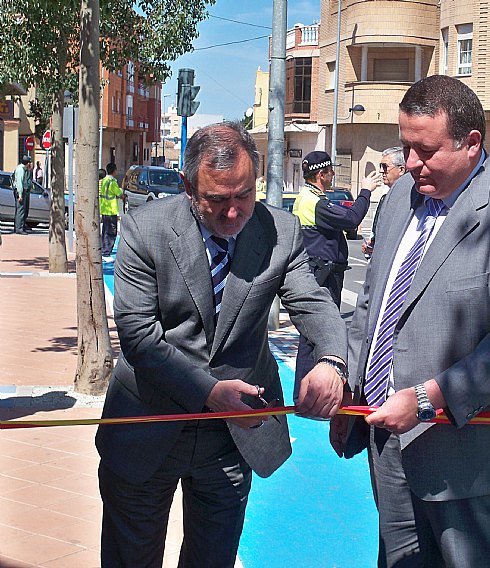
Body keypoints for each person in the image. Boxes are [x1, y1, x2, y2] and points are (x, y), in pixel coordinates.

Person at [330, 75, 490, 567]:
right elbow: (372, 303)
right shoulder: (401, 197)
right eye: (405, 147)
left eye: (425, 150)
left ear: (471, 143)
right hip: (390, 443)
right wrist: (348, 383)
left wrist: (427, 398)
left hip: (475, 457)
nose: (410, 162)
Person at [95, 122, 348, 567]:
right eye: (216, 200)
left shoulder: (280, 231)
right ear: (188, 187)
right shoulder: (145, 228)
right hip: (148, 425)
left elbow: (313, 302)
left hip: (231, 437)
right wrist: (209, 392)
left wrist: (332, 360)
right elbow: (138, 335)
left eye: (244, 195)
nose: (233, 212)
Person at [292, 150, 378, 388]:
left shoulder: (310, 197)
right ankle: (305, 392)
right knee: (317, 333)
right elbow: (351, 219)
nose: (332, 175)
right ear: (322, 174)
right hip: (323, 275)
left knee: (314, 333)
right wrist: (366, 191)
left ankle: (307, 389)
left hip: (322, 272)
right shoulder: (316, 203)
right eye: (330, 171)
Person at [362, 146, 406, 259]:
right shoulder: (385, 193)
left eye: (385, 167)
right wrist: (372, 244)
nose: (381, 171)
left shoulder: (408, 197)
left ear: (401, 170)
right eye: (380, 166)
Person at [99, 162, 123, 262]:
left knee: (105, 231)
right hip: (111, 210)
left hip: (104, 209)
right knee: (112, 233)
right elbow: (119, 194)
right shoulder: (112, 182)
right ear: (114, 171)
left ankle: (104, 250)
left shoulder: (104, 180)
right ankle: (106, 252)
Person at [12, 155, 33, 234]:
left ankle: (21, 226)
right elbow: (19, 183)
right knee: (20, 210)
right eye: (30, 162)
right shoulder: (21, 169)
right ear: (27, 163)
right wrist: (20, 195)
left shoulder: (24, 169)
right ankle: (19, 228)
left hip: (24, 191)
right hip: (20, 191)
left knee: (23, 210)